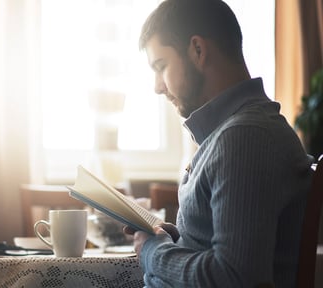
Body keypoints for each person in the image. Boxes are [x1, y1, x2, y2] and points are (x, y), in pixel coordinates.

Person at [123, 0, 314, 287]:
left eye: (161, 66)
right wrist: (175, 240)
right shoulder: (233, 133)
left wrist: (154, 251)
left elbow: (236, 277)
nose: (157, 86)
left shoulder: (245, 138)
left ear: (198, 50)